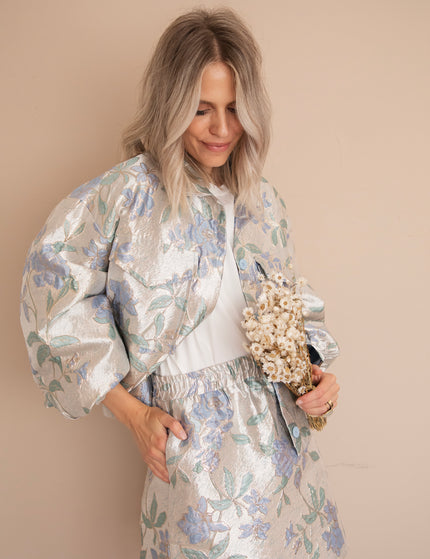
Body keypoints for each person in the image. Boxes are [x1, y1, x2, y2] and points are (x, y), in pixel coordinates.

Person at [20, 7, 346, 558]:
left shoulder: (262, 200)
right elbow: (53, 297)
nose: (222, 129)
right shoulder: (126, 196)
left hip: (287, 452)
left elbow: (289, 314)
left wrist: (314, 381)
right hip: (200, 451)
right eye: (201, 109)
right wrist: (134, 414)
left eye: (234, 108)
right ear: (170, 107)